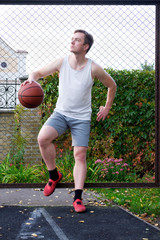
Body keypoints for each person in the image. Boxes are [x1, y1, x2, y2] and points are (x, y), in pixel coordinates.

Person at [22, 29, 117, 213]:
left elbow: (112, 85)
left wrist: (107, 107)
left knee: (79, 155)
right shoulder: (62, 62)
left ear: (85, 46)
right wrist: (31, 80)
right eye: (72, 39)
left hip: (81, 118)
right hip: (61, 114)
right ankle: (53, 175)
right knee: (42, 139)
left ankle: (78, 198)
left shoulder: (93, 68)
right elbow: (38, 72)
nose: (72, 42)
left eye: (77, 40)